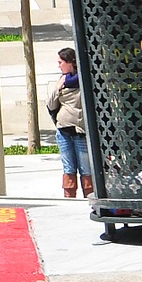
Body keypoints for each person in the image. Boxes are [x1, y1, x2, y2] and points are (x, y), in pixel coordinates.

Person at [47, 46, 94, 197]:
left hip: (80, 131)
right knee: (68, 167)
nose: (58, 65)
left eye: (61, 62)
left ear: (70, 62)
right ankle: (69, 197)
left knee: (85, 168)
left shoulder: (83, 81)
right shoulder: (62, 81)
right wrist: (57, 88)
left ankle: (89, 195)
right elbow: (51, 104)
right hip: (63, 131)